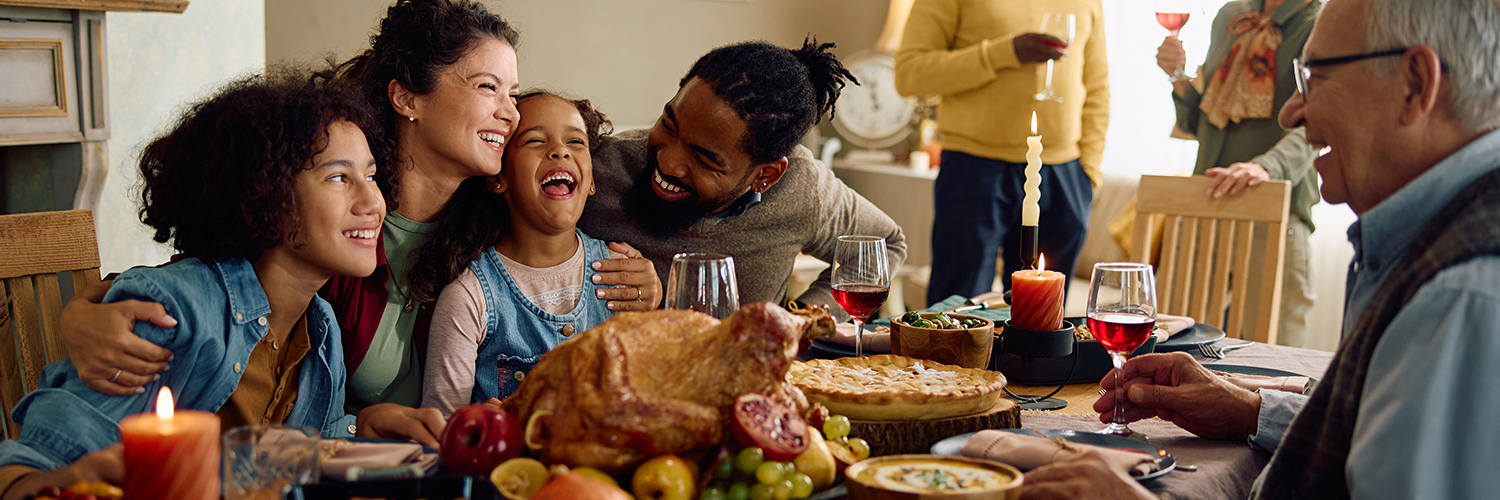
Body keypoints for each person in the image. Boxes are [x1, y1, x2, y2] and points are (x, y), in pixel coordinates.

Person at [52, 0, 660, 436]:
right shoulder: (332, 226)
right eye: (488, 88)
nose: (511, 113)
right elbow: (211, 290)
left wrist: (649, 284)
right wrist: (77, 315)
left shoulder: (496, 214)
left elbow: (575, 224)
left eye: (512, 92)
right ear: (407, 98)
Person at [1023, 0, 1500, 498]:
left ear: (1415, 83)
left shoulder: (1460, 297)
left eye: (1313, 77)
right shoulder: (1432, 249)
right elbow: (1362, 427)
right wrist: (1250, 410)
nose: (1292, 111)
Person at [0, 70, 419, 500]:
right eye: (338, 178)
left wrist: (363, 428)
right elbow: (29, 475)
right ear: (268, 196)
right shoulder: (169, 311)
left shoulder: (320, 327)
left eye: (370, 176)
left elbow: (306, 457)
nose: (373, 203)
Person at [578, 38, 906, 320]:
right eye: (669, 124)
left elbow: (887, 243)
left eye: (704, 159)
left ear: (765, 175)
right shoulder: (597, 167)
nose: (668, 162)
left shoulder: (803, 188)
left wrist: (799, 319)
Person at [422, 91, 648, 415]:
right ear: (498, 177)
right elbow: (441, 428)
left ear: (592, 180)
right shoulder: (469, 297)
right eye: (535, 141)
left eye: (576, 142)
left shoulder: (624, 275)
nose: (559, 151)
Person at [895, 0, 1109, 305]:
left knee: (1043, 324)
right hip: (973, 168)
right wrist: (1005, 53)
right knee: (957, 315)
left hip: (1064, 174)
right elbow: (909, 75)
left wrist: (1088, 173)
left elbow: (1098, 88)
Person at [1157, 0, 1321, 347]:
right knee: (1179, 344)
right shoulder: (1230, 16)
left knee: (1275, 355)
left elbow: (1316, 123)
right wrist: (1180, 78)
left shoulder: (1320, 22)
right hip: (1207, 200)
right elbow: (1203, 122)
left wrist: (1265, 167)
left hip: (1277, 209)